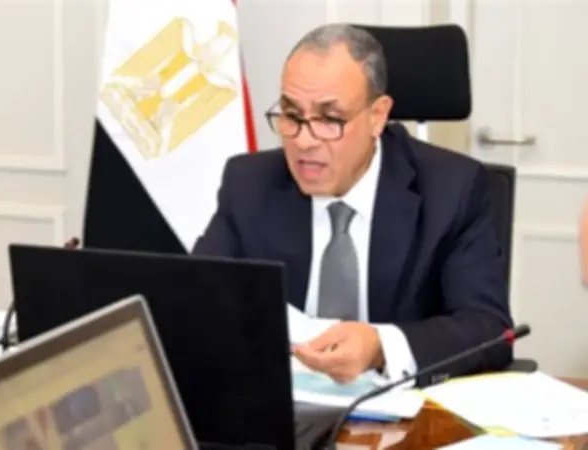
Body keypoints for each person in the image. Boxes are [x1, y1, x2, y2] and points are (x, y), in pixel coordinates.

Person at [192, 23, 513, 387]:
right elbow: (198, 297)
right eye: (292, 115)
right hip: (279, 404)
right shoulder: (250, 183)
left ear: (377, 117)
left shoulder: (451, 189)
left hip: (398, 409)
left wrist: (380, 347)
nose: (304, 141)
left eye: (330, 119)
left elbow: (489, 329)